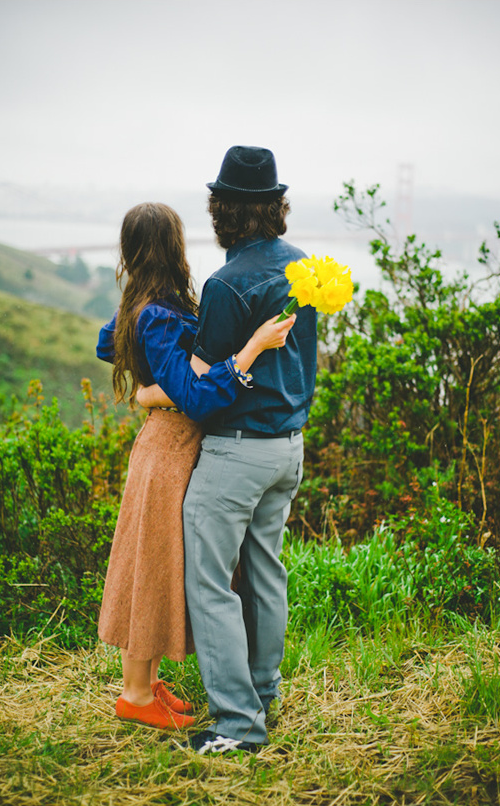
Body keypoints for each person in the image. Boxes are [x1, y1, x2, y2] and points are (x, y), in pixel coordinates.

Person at [96, 201, 295, 731]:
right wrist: (248, 351)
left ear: (132, 252)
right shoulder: (157, 313)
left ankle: (146, 684)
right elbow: (198, 398)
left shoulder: (154, 304)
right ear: (174, 246)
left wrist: (147, 388)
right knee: (151, 568)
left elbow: (105, 342)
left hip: (173, 449)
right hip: (168, 451)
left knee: (160, 565)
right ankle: (135, 695)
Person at [180, 145, 317, 753]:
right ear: (275, 207)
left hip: (237, 452)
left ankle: (236, 725)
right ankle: (264, 695)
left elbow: (202, 386)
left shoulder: (227, 284)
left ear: (223, 211)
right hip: (290, 446)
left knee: (209, 581)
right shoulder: (305, 268)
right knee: (265, 573)